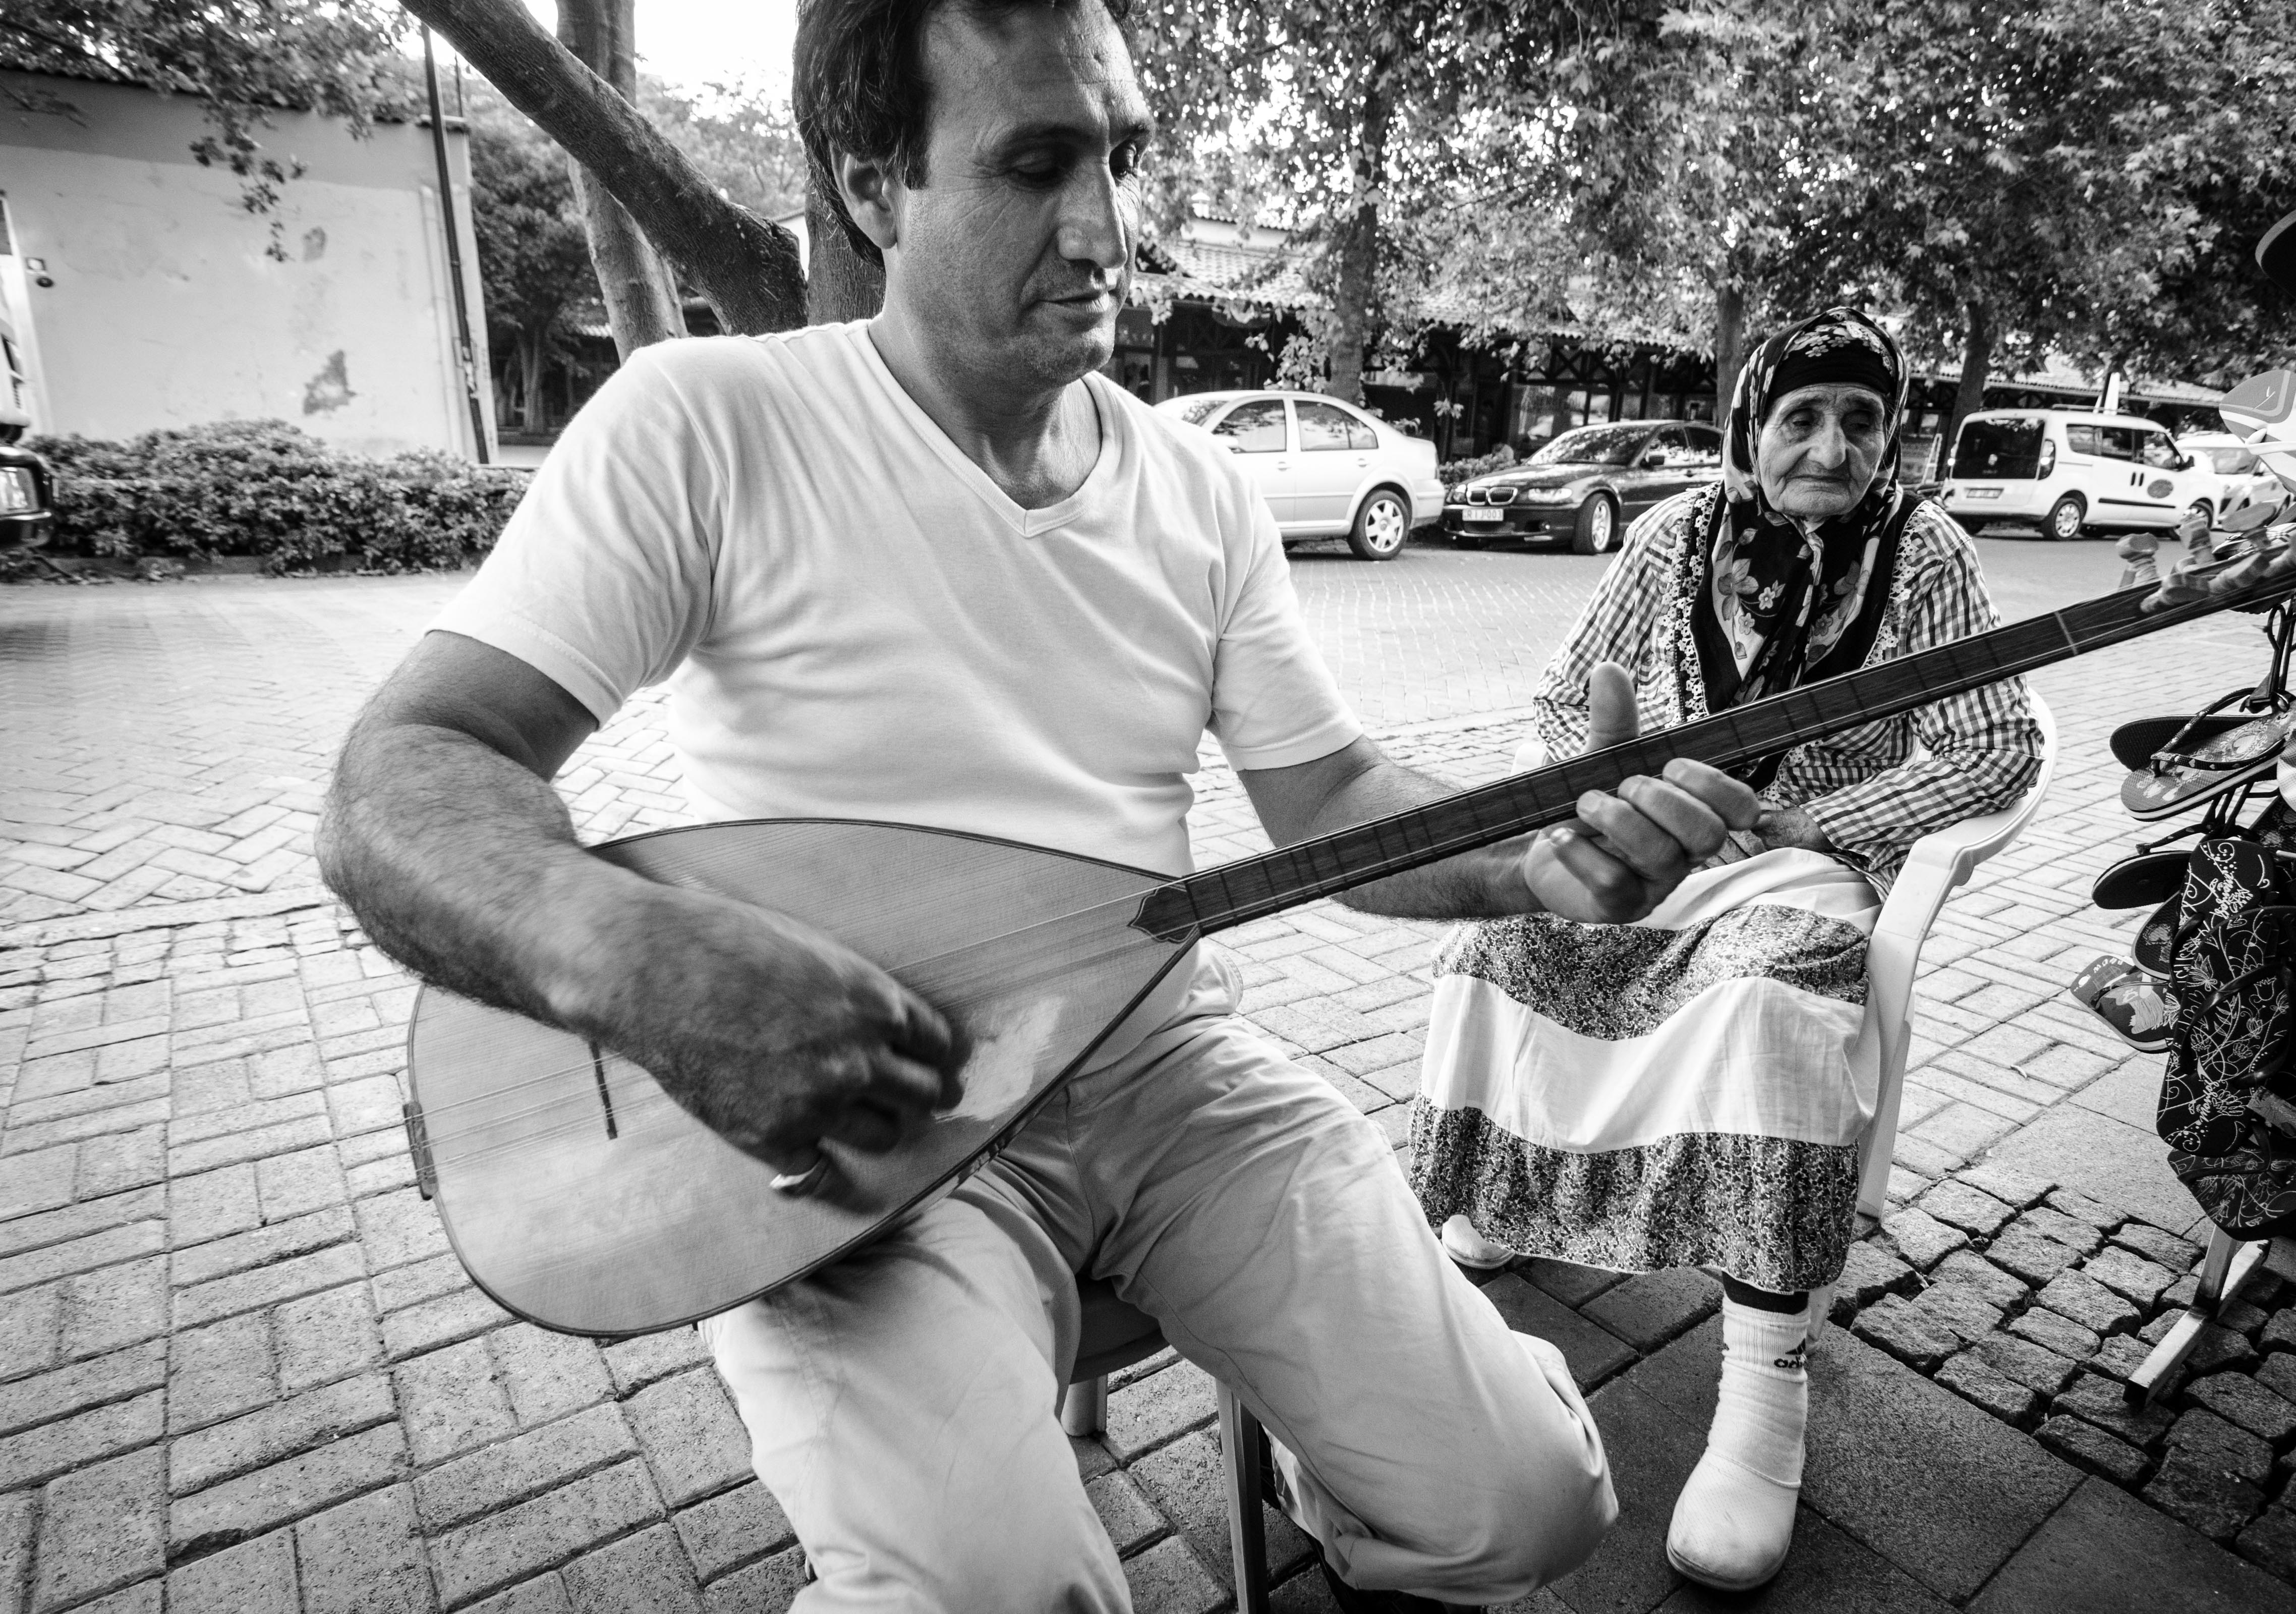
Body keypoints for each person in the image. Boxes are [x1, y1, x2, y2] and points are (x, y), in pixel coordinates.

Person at [316, 2, 1768, 1608]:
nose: (1106, 230)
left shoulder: (1196, 489)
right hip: (866, 1141)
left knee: (1529, 1507)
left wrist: (1532, 859)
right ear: (873, 184)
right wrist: (641, 965)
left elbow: (1333, 798)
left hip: (1168, 1076)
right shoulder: (706, 423)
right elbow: (407, 770)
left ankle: (1326, 1467)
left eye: (1120, 157)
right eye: (1033, 164)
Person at [1413, 307, 2043, 1593]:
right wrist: (1618, 791)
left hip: (1810, 860)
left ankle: (1764, 1387)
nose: (1831, 448)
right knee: (1500, 943)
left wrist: (1822, 819)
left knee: (1761, 1000)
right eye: (1801, 417)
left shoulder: (1926, 551)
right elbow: (1563, 695)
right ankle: (1501, 1197)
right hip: (1662, 844)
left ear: (1892, 436)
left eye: (1861, 420)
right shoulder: (1672, 535)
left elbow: (2000, 744)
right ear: (1752, 427)